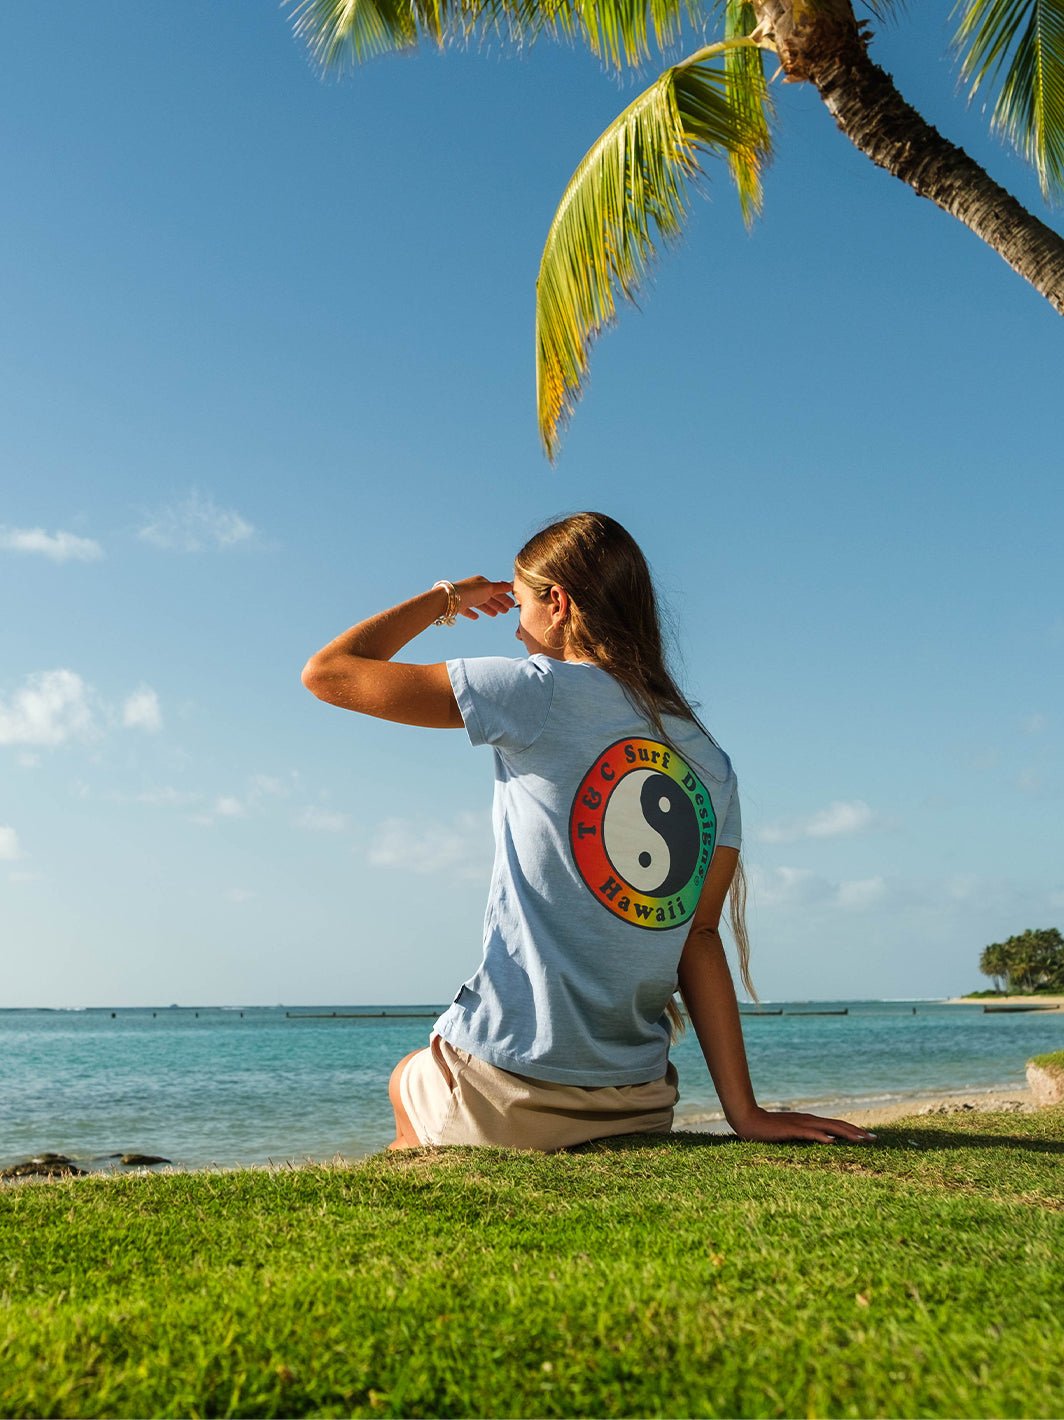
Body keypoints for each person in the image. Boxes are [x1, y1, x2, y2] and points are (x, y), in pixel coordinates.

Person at [302, 512, 873, 1151]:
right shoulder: (710, 759)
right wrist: (747, 1114)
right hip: (641, 1100)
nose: (516, 629)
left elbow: (329, 672)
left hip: (510, 1090)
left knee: (407, 1076)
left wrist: (449, 598)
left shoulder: (534, 692)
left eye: (519, 606)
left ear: (559, 603)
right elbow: (701, 938)